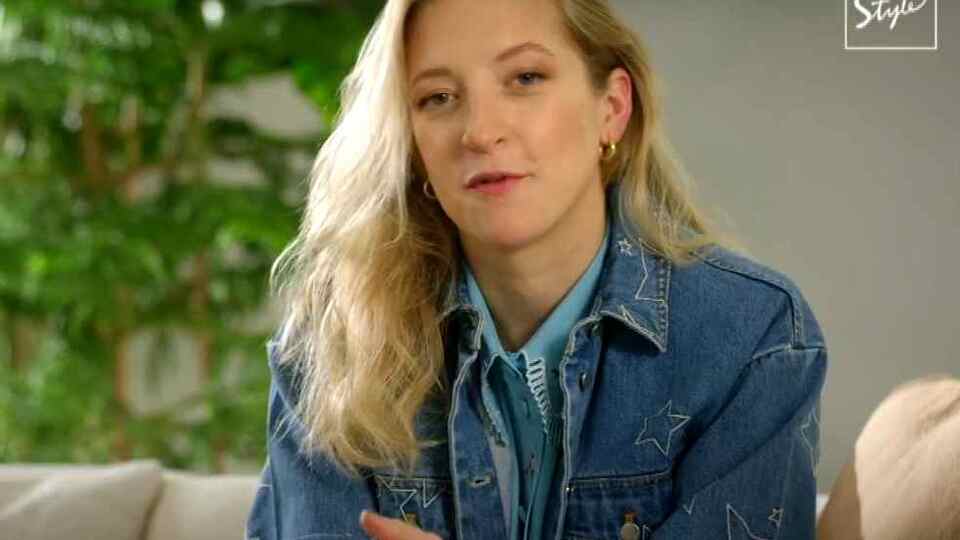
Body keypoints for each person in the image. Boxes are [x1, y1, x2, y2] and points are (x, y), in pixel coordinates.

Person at [245, 0, 828, 539]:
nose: (480, 132)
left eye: (525, 78)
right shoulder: (332, 346)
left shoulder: (751, 337)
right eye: (438, 97)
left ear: (612, 109)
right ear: (412, 146)